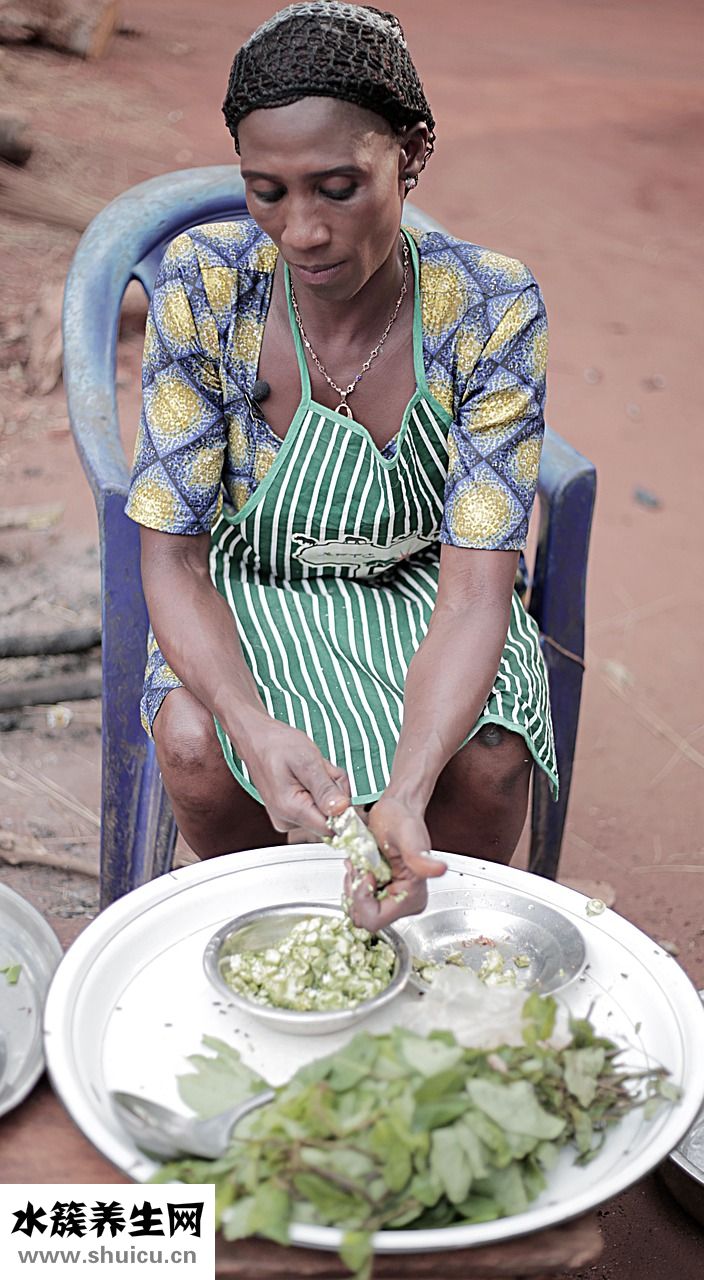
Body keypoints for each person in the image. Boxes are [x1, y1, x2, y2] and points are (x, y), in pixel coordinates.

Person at [125, 1, 557, 931]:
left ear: (412, 154)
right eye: (267, 191)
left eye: (338, 186)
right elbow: (174, 557)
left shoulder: (489, 306)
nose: (304, 232)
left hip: (422, 587)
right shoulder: (208, 285)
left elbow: (479, 590)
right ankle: (273, 930)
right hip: (252, 584)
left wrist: (405, 788)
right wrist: (251, 720)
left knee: (485, 760)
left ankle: (431, 937)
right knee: (197, 744)